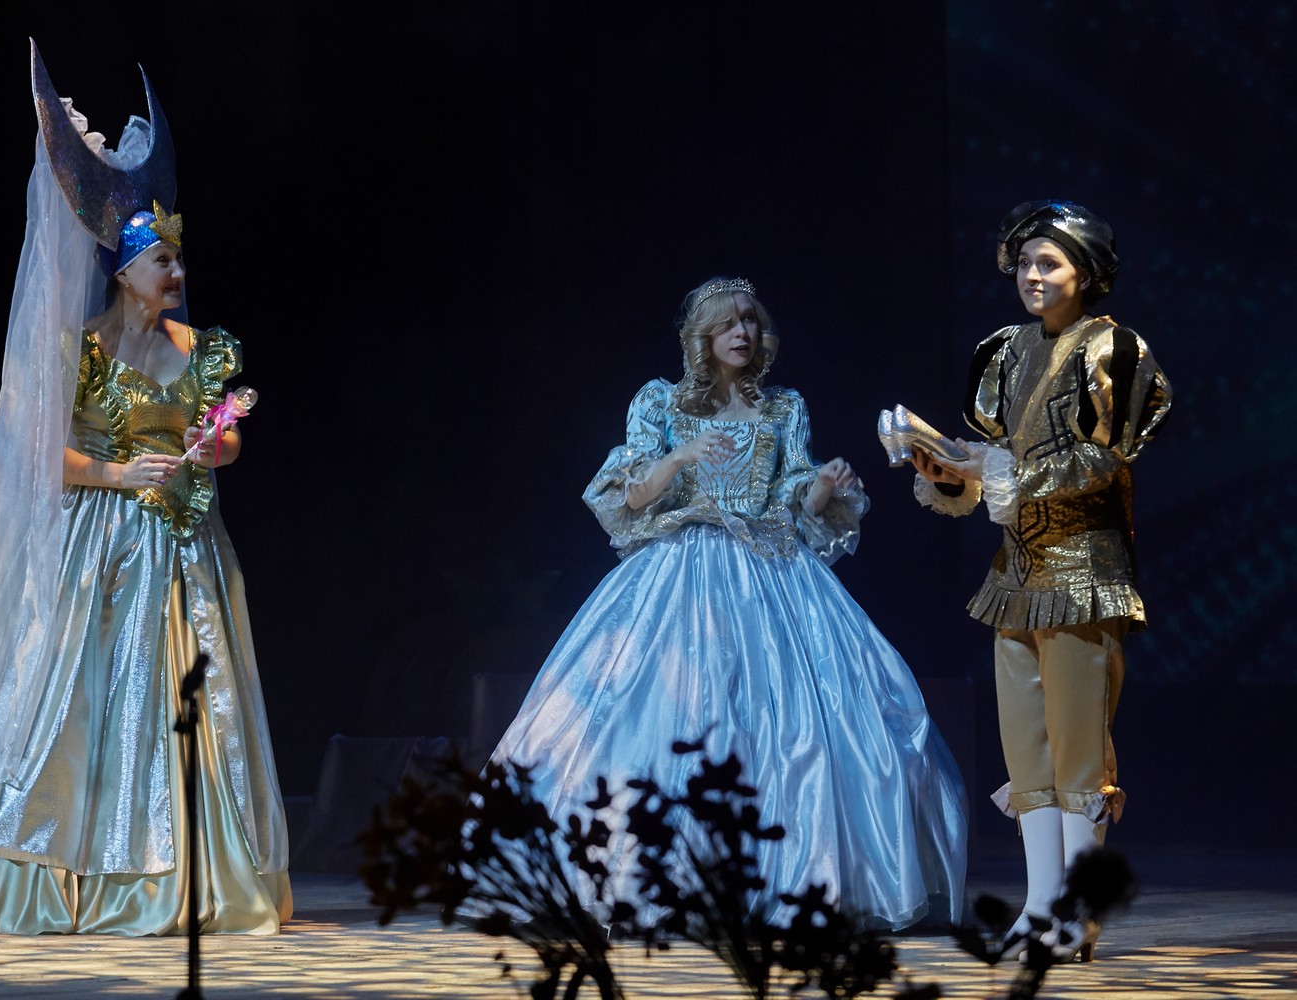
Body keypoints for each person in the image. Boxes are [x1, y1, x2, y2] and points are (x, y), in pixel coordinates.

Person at [0, 40, 291, 935]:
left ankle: (181, 874)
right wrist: (114, 471)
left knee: (178, 702)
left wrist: (210, 448)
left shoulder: (199, 349)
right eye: (161, 264)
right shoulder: (87, 354)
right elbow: (39, 456)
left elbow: (225, 441)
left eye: (177, 261)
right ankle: (36, 869)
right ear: (125, 274)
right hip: (99, 542)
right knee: (77, 699)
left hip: (182, 548)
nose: (175, 276)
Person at [490, 276, 968, 931]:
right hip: (680, 570)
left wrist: (824, 486)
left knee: (794, 725)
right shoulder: (659, 402)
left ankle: (785, 879)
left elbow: (794, 502)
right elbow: (631, 494)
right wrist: (681, 455)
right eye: (726, 322)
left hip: (773, 570)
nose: (741, 332)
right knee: (671, 716)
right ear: (702, 336)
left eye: (748, 320)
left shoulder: (782, 409)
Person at [905, 200, 1172, 962]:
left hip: (1083, 570)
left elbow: (1103, 457)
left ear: (1084, 273)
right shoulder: (1003, 351)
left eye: (1048, 263)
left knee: (1078, 752)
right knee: (1028, 751)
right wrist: (946, 470)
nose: (1032, 275)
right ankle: (1041, 903)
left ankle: (1076, 912)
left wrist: (1004, 475)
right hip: (1016, 576)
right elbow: (987, 469)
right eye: (1024, 263)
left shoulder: (1113, 349)